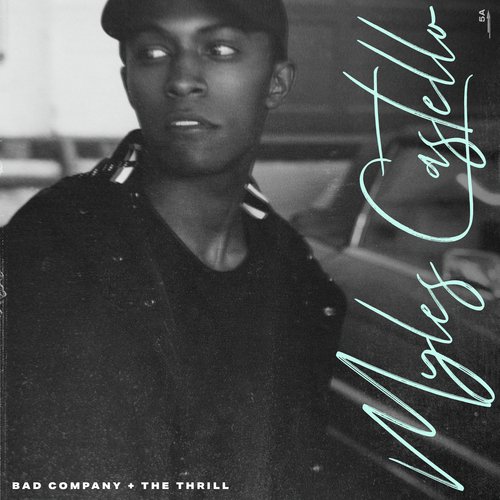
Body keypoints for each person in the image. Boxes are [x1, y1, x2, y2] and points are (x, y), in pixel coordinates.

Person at [2, 0, 346, 498]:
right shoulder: (54, 250)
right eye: (154, 52)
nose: (183, 80)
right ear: (128, 83)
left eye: (219, 49)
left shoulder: (294, 271)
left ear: (277, 82)